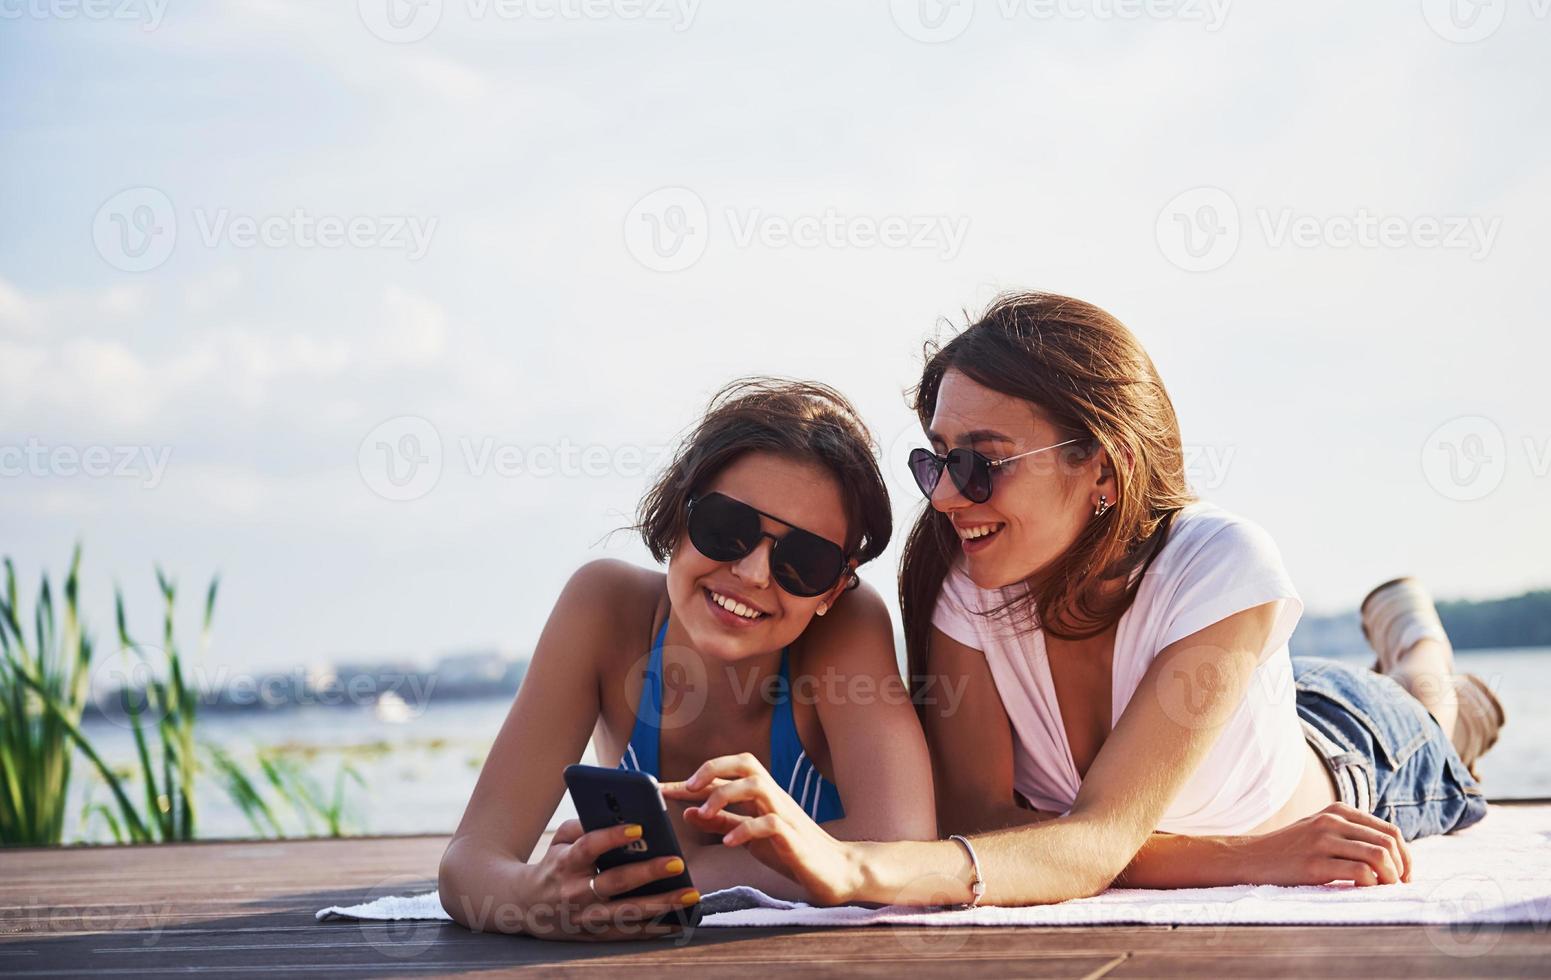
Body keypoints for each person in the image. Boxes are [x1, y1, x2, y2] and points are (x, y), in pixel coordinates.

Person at [662, 292, 1505, 906]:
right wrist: (1244, 857)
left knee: (1437, 716)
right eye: (937, 460)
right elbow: (986, 820)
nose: (948, 497)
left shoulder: (1221, 564)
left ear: (1101, 468)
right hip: (1241, 744)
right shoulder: (964, 580)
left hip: (1355, 758)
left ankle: (1419, 650)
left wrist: (853, 866)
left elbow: (1091, 841)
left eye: (981, 461)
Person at [438, 378, 935, 938]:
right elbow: (469, 860)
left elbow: (905, 845)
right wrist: (538, 895)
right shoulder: (604, 609)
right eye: (727, 528)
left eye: (806, 561)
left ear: (832, 591)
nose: (752, 575)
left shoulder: (846, 626)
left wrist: (688, 873)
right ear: (678, 510)